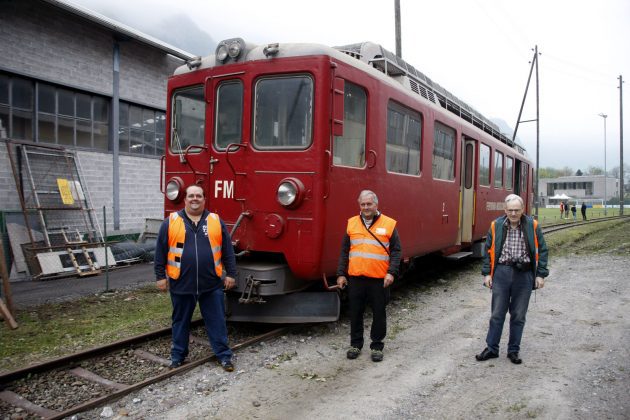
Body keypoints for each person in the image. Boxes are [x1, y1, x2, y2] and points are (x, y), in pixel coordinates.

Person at [154, 184, 238, 371]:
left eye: (198, 196)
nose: (194, 199)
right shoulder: (171, 221)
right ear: (185, 199)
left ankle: (224, 356)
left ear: (204, 199)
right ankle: (178, 357)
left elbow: (227, 251)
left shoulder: (215, 221)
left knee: (217, 321)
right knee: (180, 321)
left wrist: (231, 273)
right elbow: (160, 251)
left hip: (211, 284)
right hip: (181, 283)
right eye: (191, 196)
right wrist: (160, 276)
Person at [476, 194, 549, 365]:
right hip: (501, 272)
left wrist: (540, 274)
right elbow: (488, 251)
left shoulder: (533, 225)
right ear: (505, 210)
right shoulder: (496, 226)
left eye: (517, 210)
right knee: (496, 314)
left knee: (518, 315)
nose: (514, 213)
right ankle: (492, 348)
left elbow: (543, 251)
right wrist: (487, 274)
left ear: (523, 210)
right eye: (510, 210)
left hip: (524, 275)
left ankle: (513, 351)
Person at [336, 190, 402, 362]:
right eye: (363, 204)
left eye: (369, 204)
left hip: (379, 279)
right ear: (360, 205)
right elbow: (344, 251)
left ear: (376, 205)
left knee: (379, 313)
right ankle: (355, 344)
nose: (366, 207)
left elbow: (396, 251)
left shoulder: (389, 224)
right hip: (356, 278)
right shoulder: (352, 223)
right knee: (356, 312)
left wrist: (391, 272)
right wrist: (341, 274)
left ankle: (377, 346)